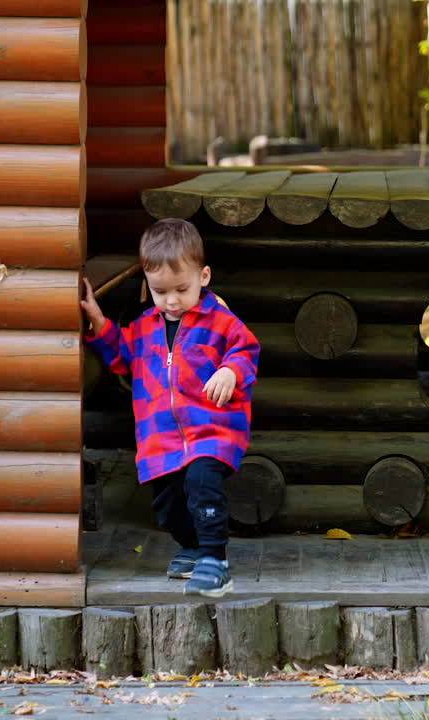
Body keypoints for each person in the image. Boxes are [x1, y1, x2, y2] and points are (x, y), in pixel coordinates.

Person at [80, 218, 260, 597]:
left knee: (201, 484)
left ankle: (216, 560)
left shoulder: (221, 322)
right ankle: (193, 548)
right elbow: (121, 355)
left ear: (204, 276)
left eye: (182, 289)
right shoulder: (144, 327)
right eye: (161, 291)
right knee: (167, 505)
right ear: (147, 284)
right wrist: (98, 322)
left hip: (213, 430)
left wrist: (230, 370)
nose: (173, 300)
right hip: (160, 438)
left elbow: (246, 350)